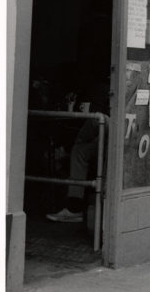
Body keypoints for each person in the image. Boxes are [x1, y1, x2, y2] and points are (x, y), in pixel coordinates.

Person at [46, 75, 109, 223]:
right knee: (80, 150)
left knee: (95, 122)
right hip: (109, 131)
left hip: (116, 129)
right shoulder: (101, 86)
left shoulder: (101, 87)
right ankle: (75, 208)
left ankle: (75, 208)